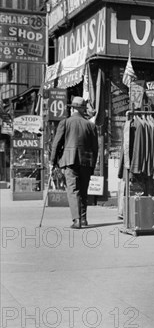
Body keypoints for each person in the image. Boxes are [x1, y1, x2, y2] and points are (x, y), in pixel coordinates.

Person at [50, 96, 99, 229]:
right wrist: (93, 164)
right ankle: (83, 219)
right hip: (86, 162)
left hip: (69, 160)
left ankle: (76, 220)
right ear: (83, 109)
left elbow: (56, 144)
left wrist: (52, 161)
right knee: (83, 190)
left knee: (73, 190)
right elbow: (95, 148)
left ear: (73, 109)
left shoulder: (65, 123)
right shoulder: (91, 125)